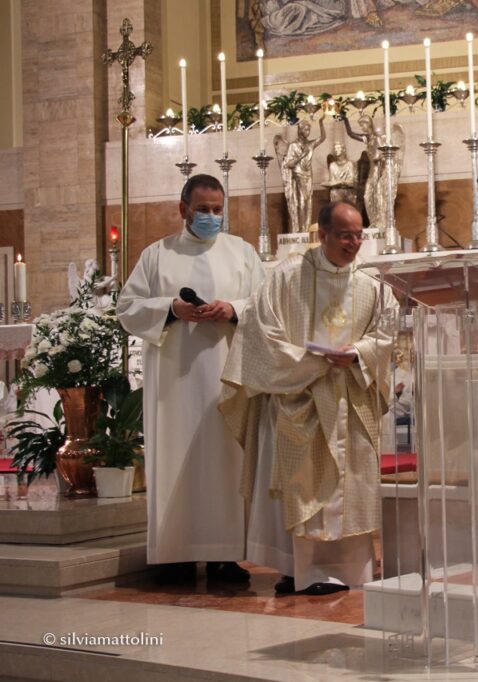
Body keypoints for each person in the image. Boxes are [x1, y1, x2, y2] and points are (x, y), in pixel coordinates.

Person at [220, 201, 395, 596]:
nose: (354, 243)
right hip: (299, 398)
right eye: (345, 236)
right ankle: (300, 570)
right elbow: (260, 331)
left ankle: (350, 570)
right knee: (304, 487)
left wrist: (358, 353)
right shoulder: (286, 277)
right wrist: (311, 361)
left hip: (349, 398)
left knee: (350, 487)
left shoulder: (371, 285)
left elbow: (386, 332)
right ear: (323, 234)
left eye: (358, 235)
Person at [116, 174, 265, 585]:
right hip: (174, 383)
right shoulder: (157, 255)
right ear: (183, 209)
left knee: (225, 461)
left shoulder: (242, 252)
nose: (211, 217)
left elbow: (267, 304)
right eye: (203, 210)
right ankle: (174, 554)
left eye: (217, 210)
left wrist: (232, 309)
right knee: (174, 455)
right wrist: (171, 308)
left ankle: (225, 555)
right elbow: (127, 308)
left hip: (225, 379)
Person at [274, 116, 326, 233]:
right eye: (306, 129)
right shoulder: (293, 146)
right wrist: (302, 155)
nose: (308, 132)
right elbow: (288, 164)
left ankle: (306, 228)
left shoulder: (310, 144)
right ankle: (300, 229)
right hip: (298, 175)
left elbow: (323, 137)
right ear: (300, 130)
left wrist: (321, 123)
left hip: (308, 175)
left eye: (309, 129)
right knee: (301, 202)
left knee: (308, 202)